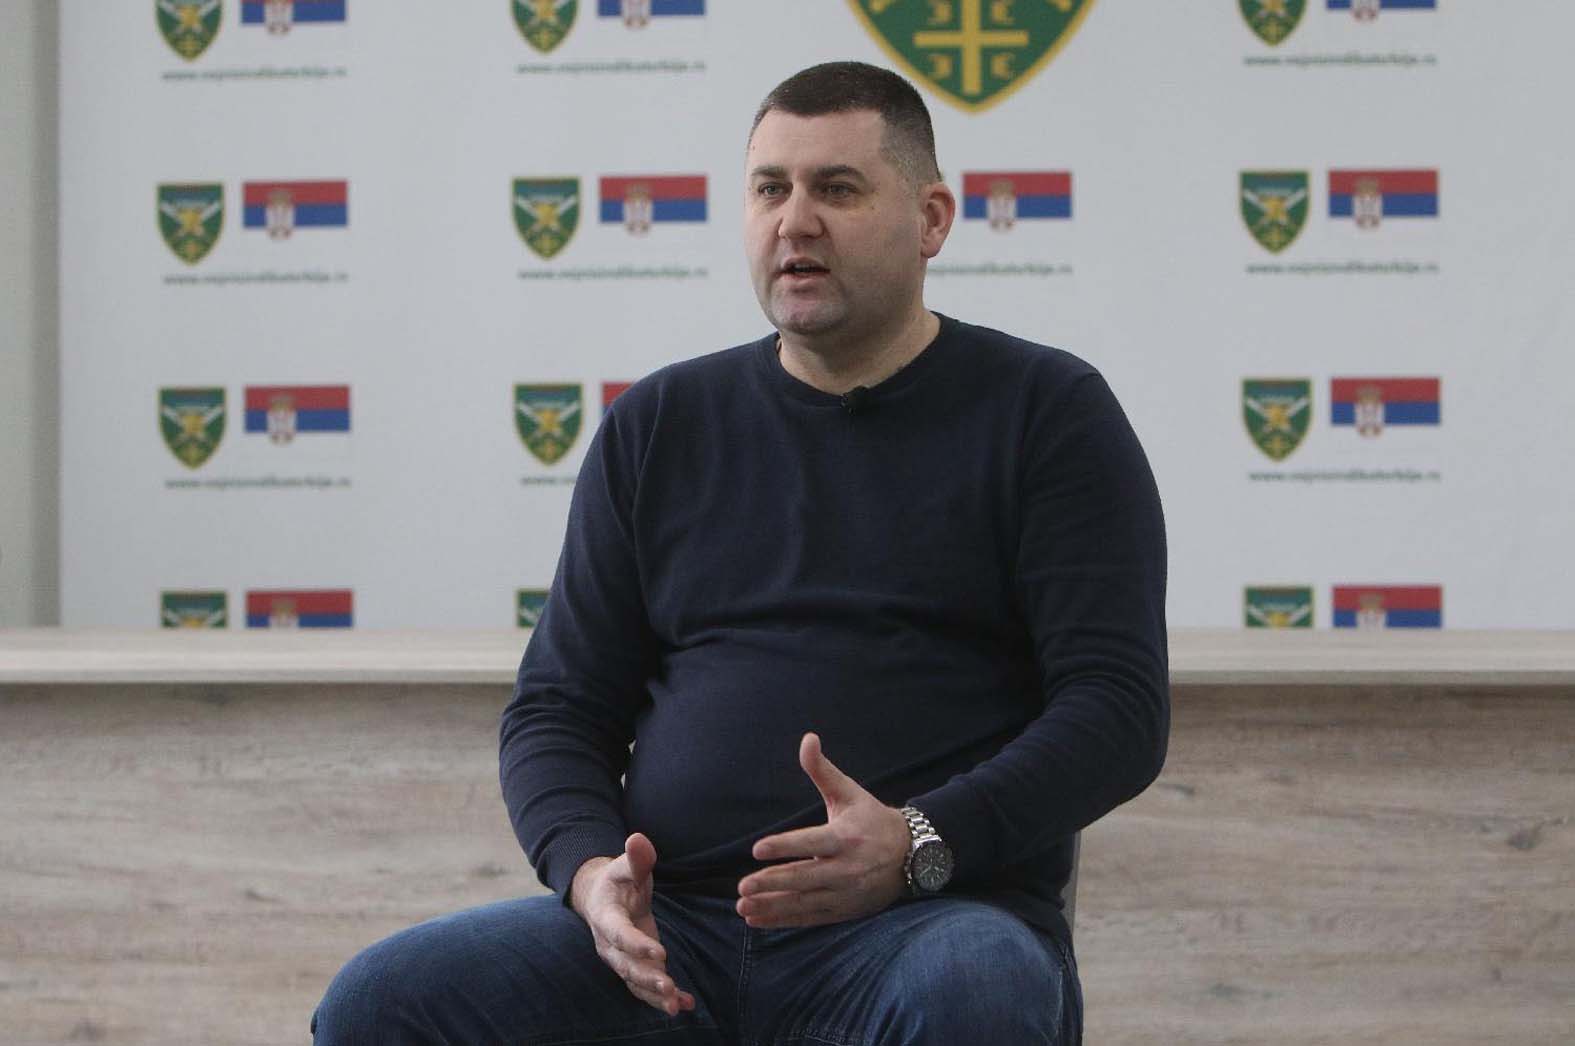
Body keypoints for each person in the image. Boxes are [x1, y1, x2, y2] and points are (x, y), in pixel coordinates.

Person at [312, 60, 1168, 1045]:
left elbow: (1117, 709)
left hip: (923, 922)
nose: (794, 222)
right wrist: (589, 875)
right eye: (770, 189)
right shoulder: (659, 424)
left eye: (836, 188)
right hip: (673, 929)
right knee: (379, 1002)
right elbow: (559, 706)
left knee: (977, 989)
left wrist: (917, 840)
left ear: (931, 219)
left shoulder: (1047, 414)